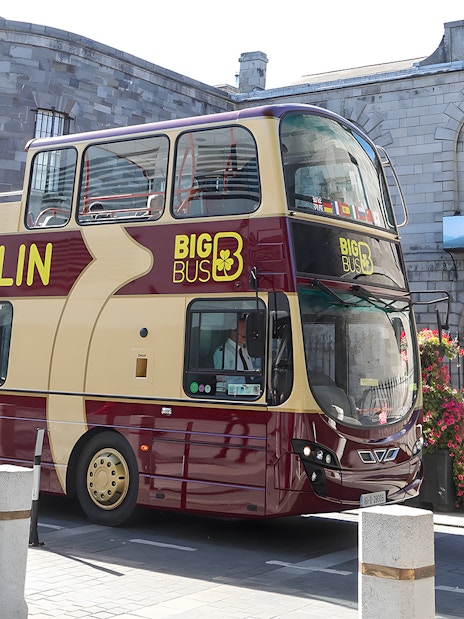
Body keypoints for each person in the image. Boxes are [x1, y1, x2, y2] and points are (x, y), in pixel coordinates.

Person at [213, 317, 255, 393]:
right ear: (233, 331)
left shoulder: (245, 350)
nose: (246, 333)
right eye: (244, 329)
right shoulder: (222, 352)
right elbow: (220, 383)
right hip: (233, 393)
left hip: (249, 389)